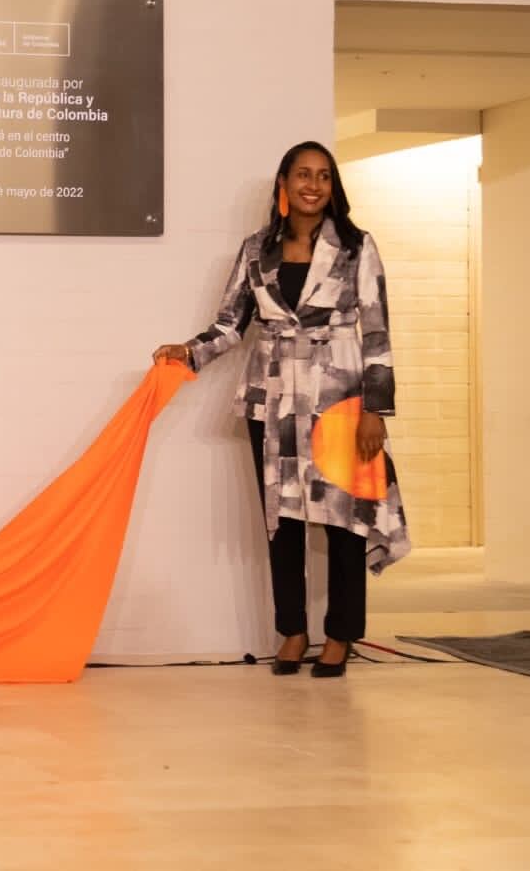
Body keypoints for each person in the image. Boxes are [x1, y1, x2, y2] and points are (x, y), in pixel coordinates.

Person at [153, 140, 410, 679]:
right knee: (282, 522)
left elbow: (377, 332)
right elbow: (230, 324)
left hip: (339, 400)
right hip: (271, 399)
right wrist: (189, 351)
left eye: (323, 176)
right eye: (303, 175)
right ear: (284, 184)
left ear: (333, 187)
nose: (313, 185)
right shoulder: (256, 249)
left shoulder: (356, 247)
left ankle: (340, 635)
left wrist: (375, 410)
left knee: (346, 523)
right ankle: (291, 631)